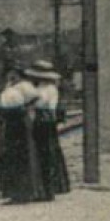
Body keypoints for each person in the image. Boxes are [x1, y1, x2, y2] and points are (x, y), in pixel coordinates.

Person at [0, 67, 50, 203]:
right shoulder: (9, 87)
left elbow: (36, 99)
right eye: (9, 74)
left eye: (14, 74)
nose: (11, 77)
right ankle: (15, 191)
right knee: (11, 156)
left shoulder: (24, 87)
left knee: (20, 155)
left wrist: (25, 108)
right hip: (10, 122)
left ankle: (23, 192)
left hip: (19, 122)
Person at [25, 60, 71, 197]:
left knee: (46, 152)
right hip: (43, 120)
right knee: (44, 151)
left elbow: (39, 102)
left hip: (45, 121)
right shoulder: (42, 87)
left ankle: (49, 187)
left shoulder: (48, 89)